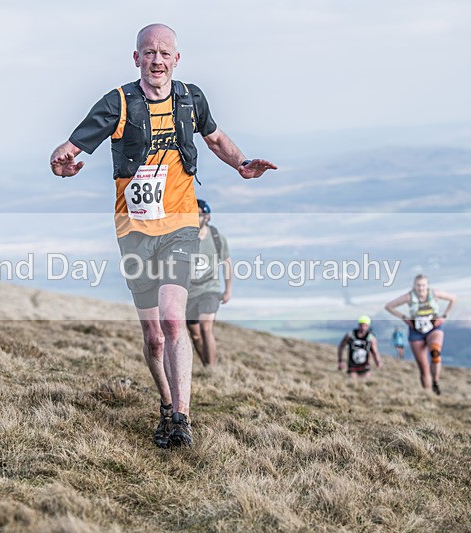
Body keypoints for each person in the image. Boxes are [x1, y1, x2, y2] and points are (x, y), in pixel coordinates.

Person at [49, 24, 277, 448]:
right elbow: (69, 149)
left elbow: (215, 138)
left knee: (175, 319)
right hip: (134, 231)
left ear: (176, 59)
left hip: (180, 224)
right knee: (153, 337)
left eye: (164, 53)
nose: (157, 60)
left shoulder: (191, 99)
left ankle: (181, 418)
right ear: (136, 58)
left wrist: (242, 164)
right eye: (149, 52)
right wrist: (59, 163)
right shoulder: (117, 103)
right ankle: (167, 402)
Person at [384, 274, 457, 394]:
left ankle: (435, 381)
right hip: (416, 331)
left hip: (434, 328)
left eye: (423, 285)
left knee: (435, 352)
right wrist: (404, 318)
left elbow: (453, 299)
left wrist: (444, 316)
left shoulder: (434, 293)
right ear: (414, 286)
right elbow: (389, 306)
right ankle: (428, 395)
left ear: (427, 285)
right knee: (423, 368)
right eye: (418, 285)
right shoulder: (408, 297)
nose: (421, 288)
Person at [186, 199, 231, 367]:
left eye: (198, 215)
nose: (195, 218)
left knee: (206, 328)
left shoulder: (217, 238)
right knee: (195, 334)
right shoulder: (183, 238)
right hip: (189, 292)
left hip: (210, 289)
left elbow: (227, 264)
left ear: (207, 217)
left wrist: (228, 290)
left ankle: (211, 370)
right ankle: (206, 365)